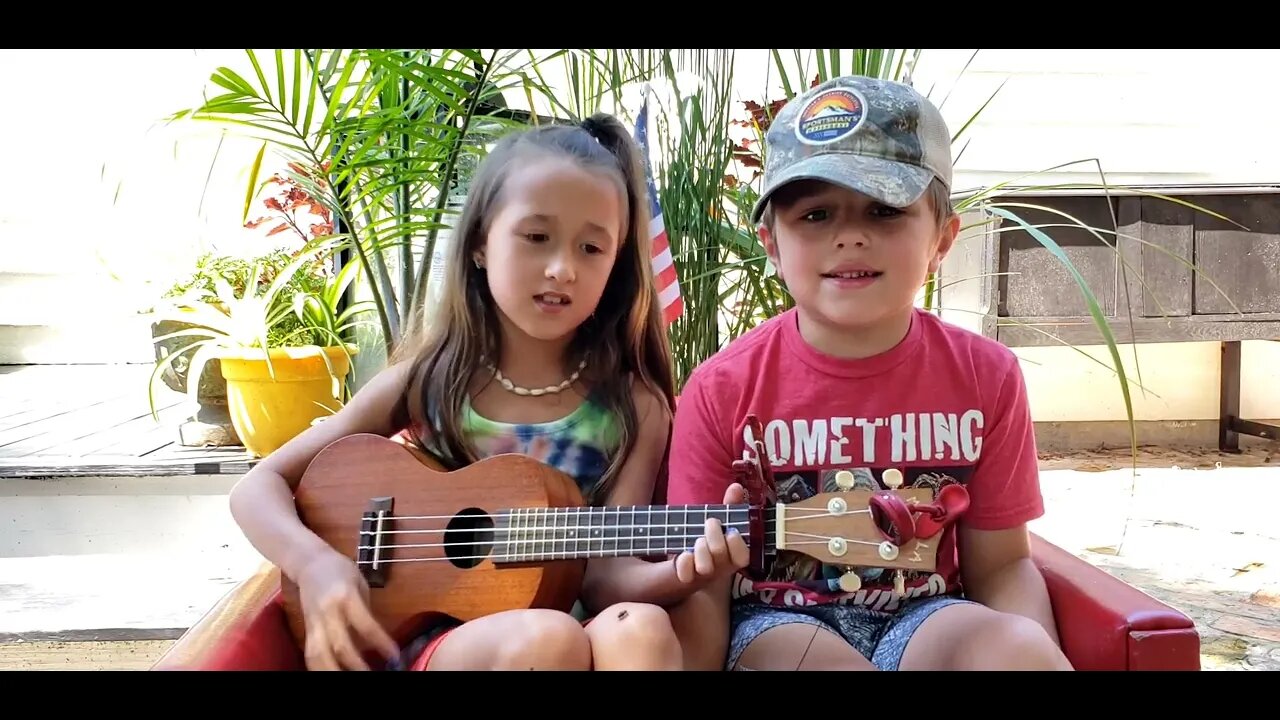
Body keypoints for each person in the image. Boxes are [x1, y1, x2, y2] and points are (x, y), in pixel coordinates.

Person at [227, 112, 741, 671]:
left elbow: (605, 576)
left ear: (616, 265)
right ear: (478, 244)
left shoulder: (633, 405)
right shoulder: (432, 379)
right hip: (430, 638)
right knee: (546, 639)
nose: (562, 268)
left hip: (569, 630)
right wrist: (316, 565)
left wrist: (685, 570)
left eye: (591, 249)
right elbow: (257, 487)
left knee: (640, 629)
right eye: (536, 237)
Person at [664, 75, 1075, 671]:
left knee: (1014, 650)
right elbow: (699, 585)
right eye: (816, 214)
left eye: (885, 210)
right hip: (777, 621)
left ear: (942, 239)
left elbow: (1004, 565)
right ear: (772, 245)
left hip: (927, 616)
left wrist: (1035, 649)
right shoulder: (721, 388)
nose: (850, 235)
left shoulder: (987, 374)